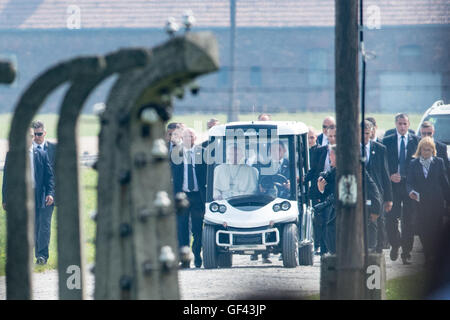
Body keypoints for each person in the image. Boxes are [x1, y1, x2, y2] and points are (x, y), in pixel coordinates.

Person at [2, 128, 55, 265]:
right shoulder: (12, 155)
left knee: (39, 227)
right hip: (20, 195)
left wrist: (50, 193)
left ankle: (41, 256)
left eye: (32, 136)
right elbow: (6, 179)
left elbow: (49, 178)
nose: (30, 138)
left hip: (38, 195)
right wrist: (5, 199)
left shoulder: (41, 154)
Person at [382, 113, 420, 264]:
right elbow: (383, 163)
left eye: (405, 124)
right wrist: (391, 175)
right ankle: (395, 243)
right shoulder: (387, 141)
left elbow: (417, 165)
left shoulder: (416, 141)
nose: (402, 126)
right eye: (400, 123)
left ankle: (406, 252)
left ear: (409, 125)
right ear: (395, 125)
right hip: (393, 186)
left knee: (409, 221)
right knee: (391, 218)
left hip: (409, 185)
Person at [406, 137, 450, 265]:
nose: (427, 152)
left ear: (433, 150)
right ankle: (428, 253)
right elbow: (409, 182)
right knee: (423, 229)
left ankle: (433, 254)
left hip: (436, 201)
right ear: (420, 150)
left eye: (429, 150)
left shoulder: (439, 162)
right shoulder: (414, 163)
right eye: (425, 150)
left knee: (435, 228)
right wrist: (411, 192)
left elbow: (444, 183)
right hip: (421, 202)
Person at [171, 128, 207, 268]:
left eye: (191, 136)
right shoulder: (175, 153)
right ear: (182, 137)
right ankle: (185, 259)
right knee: (182, 227)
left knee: (198, 229)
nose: (188, 139)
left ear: (195, 138)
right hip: (182, 195)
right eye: (186, 136)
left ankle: (197, 255)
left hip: (198, 196)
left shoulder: (202, 153)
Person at [362, 120, 393, 252]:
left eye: (367, 133)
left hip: (376, 194)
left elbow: (385, 174)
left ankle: (378, 252)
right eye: (361, 133)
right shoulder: (352, 149)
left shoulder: (380, 149)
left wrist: (389, 198)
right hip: (359, 193)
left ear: (371, 132)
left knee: (379, 222)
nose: (364, 136)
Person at [306, 125, 336, 255]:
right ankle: (323, 250)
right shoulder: (320, 151)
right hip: (322, 189)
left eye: (335, 136)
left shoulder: (346, 152)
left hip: (337, 190)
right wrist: (302, 180)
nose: (332, 139)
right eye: (330, 136)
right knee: (322, 220)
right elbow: (312, 171)